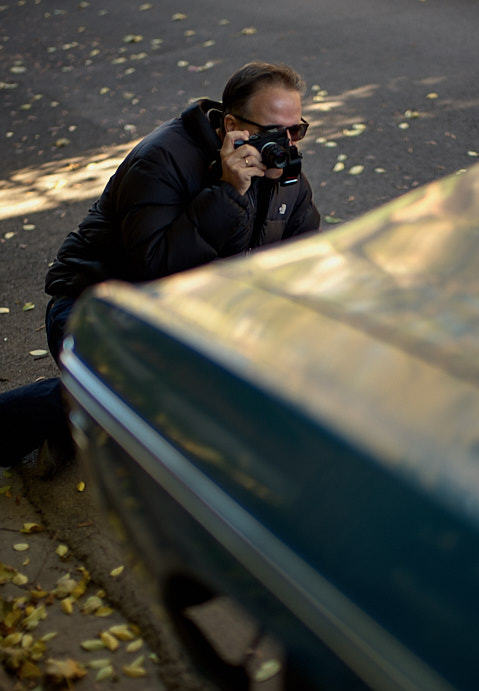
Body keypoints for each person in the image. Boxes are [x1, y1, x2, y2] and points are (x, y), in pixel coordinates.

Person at [0, 61, 320, 473]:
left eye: (296, 130)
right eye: (273, 131)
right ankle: (61, 411)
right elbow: (154, 268)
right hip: (97, 309)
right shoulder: (162, 160)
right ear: (231, 125)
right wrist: (227, 192)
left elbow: (304, 263)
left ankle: (75, 424)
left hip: (189, 319)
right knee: (166, 394)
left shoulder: (287, 176)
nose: (288, 144)